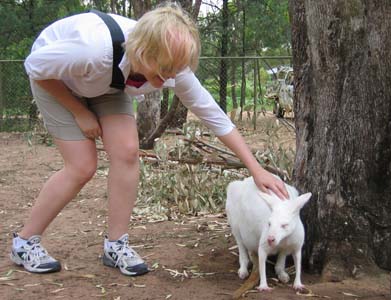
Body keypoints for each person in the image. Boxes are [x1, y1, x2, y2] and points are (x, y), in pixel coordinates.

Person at [10, 2, 288, 276]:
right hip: (58, 79)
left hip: (106, 84)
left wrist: (255, 169)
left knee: (128, 151)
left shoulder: (170, 65)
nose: (170, 76)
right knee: (82, 166)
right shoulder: (92, 50)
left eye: (175, 69)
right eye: (165, 68)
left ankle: (115, 245)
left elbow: (212, 114)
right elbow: (35, 67)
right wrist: (79, 111)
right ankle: (24, 243)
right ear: (143, 51)